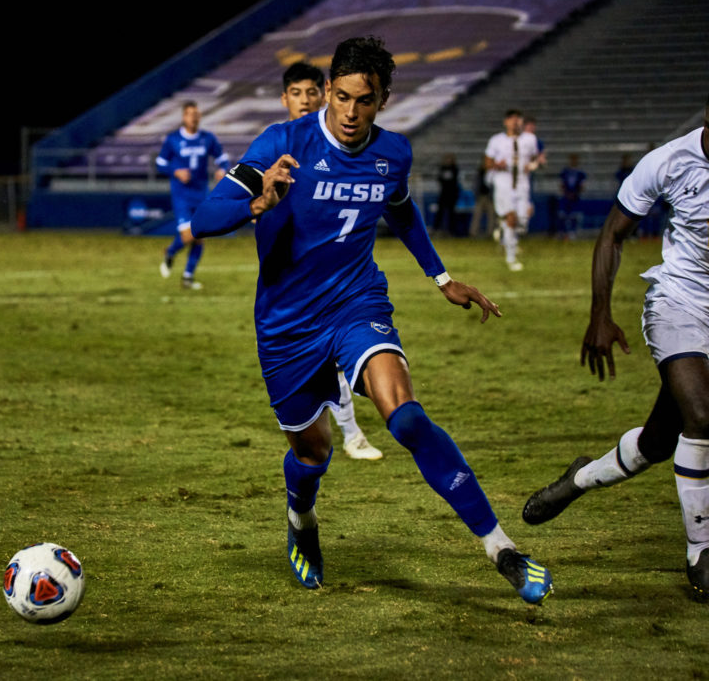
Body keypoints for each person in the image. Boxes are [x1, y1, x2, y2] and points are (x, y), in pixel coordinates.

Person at [191, 37, 552, 603]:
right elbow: (203, 217)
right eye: (341, 98)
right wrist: (256, 204)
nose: (351, 113)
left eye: (365, 101)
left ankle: (501, 547)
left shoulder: (393, 153)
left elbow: (402, 210)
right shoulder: (283, 142)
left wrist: (441, 277)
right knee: (313, 452)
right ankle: (302, 521)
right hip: (286, 322)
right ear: (328, 92)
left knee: (405, 418)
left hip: (357, 303)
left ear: (383, 99)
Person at [523, 96, 709, 602]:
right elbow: (613, 233)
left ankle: (579, 478)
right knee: (702, 415)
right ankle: (702, 550)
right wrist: (599, 314)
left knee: (659, 440)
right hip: (680, 303)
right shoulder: (668, 162)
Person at [280, 61, 383, 461]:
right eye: (295, 93)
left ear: (322, 94)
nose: (304, 101)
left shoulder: (339, 144)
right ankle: (309, 428)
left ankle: (353, 435)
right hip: (288, 281)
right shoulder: (274, 146)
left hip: (339, 278)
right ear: (284, 98)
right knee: (299, 371)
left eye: (310, 92)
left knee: (336, 359)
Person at [156, 101, 229, 289]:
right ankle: (170, 252)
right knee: (188, 236)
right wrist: (176, 171)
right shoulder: (173, 139)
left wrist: (222, 170)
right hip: (182, 194)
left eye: (196, 114)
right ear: (183, 117)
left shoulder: (208, 138)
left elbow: (222, 159)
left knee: (200, 235)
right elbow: (160, 163)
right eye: (190, 114)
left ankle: (187, 277)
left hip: (201, 192)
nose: (194, 117)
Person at [485, 109, 539, 271]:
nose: (515, 122)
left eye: (518, 119)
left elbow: (536, 159)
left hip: (522, 182)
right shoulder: (496, 140)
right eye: (512, 119)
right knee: (512, 218)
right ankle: (511, 259)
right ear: (506, 122)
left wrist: (533, 165)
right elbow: (487, 163)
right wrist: (496, 165)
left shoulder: (530, 139)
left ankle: (502, 227)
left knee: (522, 221)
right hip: (503, 181)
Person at [557, 154, 587, 239]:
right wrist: (566, 193)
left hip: (576, 197)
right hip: (566, 197)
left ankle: (573, 232)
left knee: (574, 215)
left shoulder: (580, 173)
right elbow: (561, 184)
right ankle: (563, 232)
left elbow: (582, 186)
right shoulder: (565, 172)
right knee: (563, 215)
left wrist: (576, 194)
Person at [468, 159, 496, 238]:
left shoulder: (493, 172)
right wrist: (476, 195)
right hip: (481, 197)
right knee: (477, 215)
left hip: (490, 197)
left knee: (491, 216)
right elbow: (475, 185)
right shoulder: (480, 173)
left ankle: (490, 233)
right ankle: (473, 232)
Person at [434, 153, 460, 235]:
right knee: (440, 212)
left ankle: (451, 230)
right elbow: (439, 179)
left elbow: (453, 180)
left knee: (451, 213)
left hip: (452, 194)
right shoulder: (442, 168)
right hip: (443, 194)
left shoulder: (455, 168)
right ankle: (437, 229)